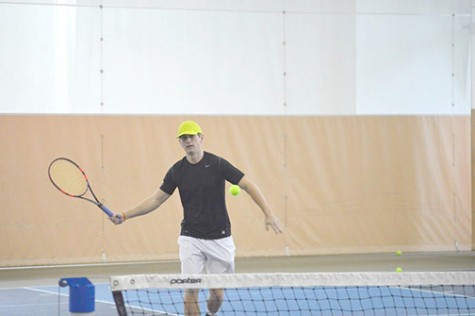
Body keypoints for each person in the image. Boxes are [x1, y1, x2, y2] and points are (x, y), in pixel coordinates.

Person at [110, 120, 283, 316]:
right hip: (191, 238)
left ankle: (210, 314)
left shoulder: (218, 164)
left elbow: (248, 185)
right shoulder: (177, 171)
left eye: (192, 136)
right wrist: (125, 215)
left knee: (217, 294)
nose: (188, 141)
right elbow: (156, 199)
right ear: (180, 143)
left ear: (201, 138)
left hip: (220, 238)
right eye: (184, 138)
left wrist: (268, 213)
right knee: (190, 289)